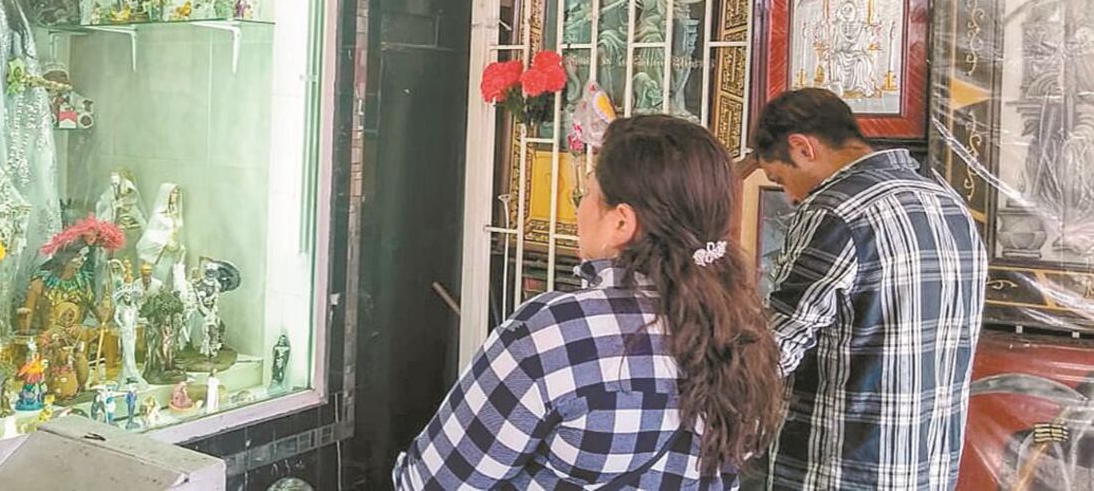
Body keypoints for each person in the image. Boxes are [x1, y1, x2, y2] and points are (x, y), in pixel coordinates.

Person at [394, 115, 783, 489]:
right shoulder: (747, 337)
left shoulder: (557, 332)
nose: (580, 207)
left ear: (621, 223)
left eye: (588, 194)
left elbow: (429, 482)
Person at [750, 88, 987, 490]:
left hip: (838, 471)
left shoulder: (836, 211)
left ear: (802, 147)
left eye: (780, 178)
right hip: (924, 471)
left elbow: (772, 353)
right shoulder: (948, 205)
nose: (789, 197)